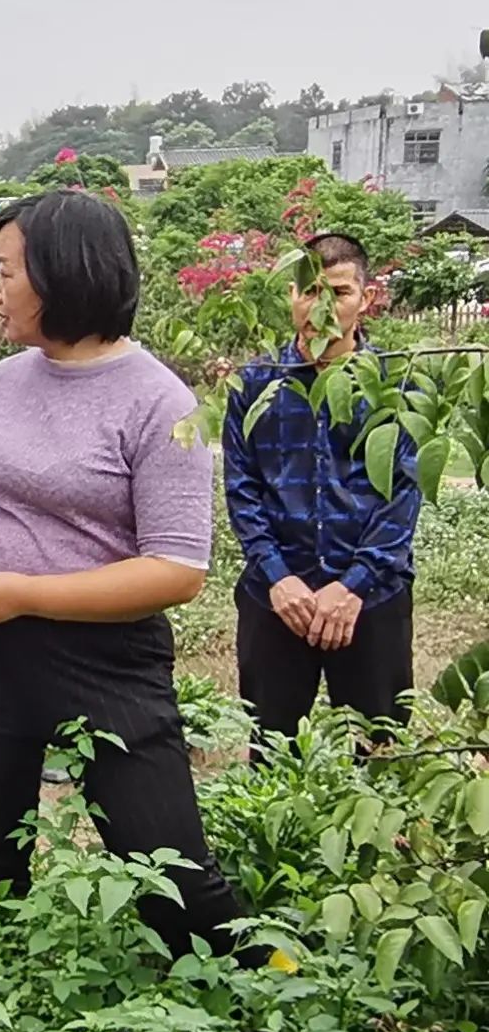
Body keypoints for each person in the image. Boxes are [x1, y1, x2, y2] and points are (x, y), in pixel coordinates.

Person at [0, 190, 244, 959]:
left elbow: (175, 570)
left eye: (8, 274)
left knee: (166, 867)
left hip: (103, 659)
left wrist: (23, 595)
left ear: (63, 275)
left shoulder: (158, 401)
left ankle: (264, 992)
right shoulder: (5, 380)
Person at [223, 232, 419, 752]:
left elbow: (402, 496)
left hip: (372, 597)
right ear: (291, 295)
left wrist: (352, 586)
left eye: (339, 292)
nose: (322, 307)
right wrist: (278, 578)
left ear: (365, 297)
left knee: (381, 756)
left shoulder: (398, 385)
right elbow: (242, 491)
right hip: (278, 596)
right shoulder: (255, 384)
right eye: (310, 292)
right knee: (272, 752)